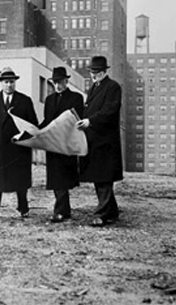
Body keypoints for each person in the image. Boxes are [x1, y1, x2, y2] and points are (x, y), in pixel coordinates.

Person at [0, 66, 38, 218]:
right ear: (1, 83)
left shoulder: (25, 101)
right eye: (6, 82)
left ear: (15, 83)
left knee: (20, 178)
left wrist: (27, 140)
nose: (9, 85)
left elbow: (33, 125)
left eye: (11, 82)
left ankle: (23, 208)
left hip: (18, 148)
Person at [76, 56, 123, 227]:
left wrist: (90, 121)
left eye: (96, 72)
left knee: (104, 178)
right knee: (100, 178)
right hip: (96, 140)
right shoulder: (95, 88)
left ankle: (102, 214)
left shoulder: (113, 87)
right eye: (91, 72)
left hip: (106, 142)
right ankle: (112, 211)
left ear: (104, 72)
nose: (93, 75)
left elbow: (110, 111)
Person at [39, 67, 84, 223]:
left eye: (61, 82)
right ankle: (64, 210)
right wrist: (36, 131)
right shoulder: (49, 100)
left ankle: (61, 211)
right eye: (55, 82)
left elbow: (77, 120)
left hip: (66, 144)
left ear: (67, 81)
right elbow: (46, 121)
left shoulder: (76, 98)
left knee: (62, 179)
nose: (58, 85)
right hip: (52, 144)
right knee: (56, 179)